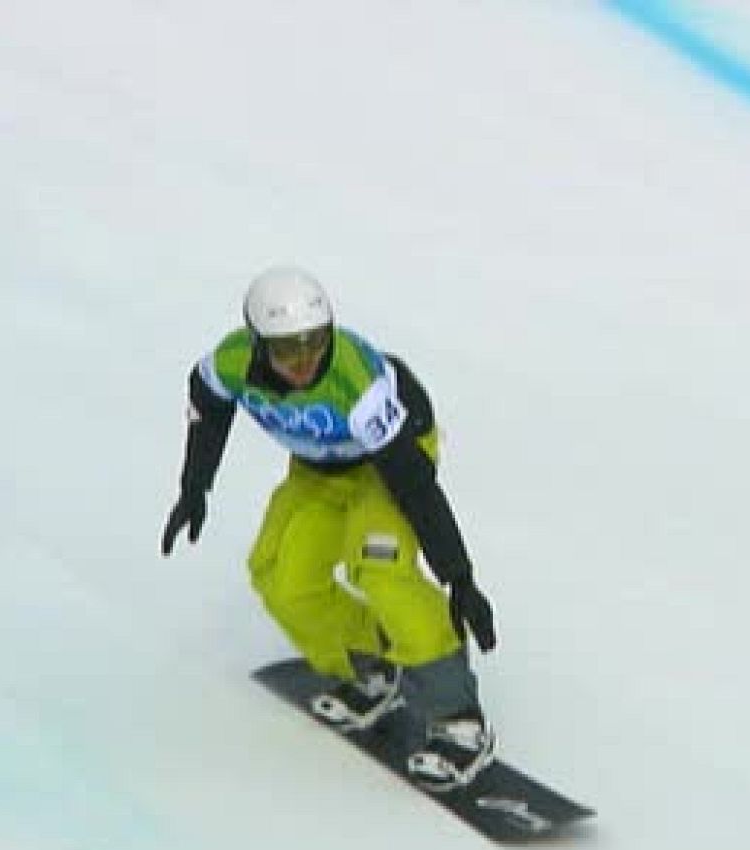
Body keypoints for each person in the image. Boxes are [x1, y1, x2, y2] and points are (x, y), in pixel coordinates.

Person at [161, 266, 498, 791]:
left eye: (314, 343)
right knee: (280, 575)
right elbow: (207, 406)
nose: (302, 362)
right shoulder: (230, 363)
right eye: (286, 350)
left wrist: (458, 574)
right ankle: (370, 663)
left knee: (380, 569)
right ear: (256, 344)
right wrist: (194, 487)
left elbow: (412, 484)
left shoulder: (356, 384)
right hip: (319, 471)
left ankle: (457, 716)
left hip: (389, 466)